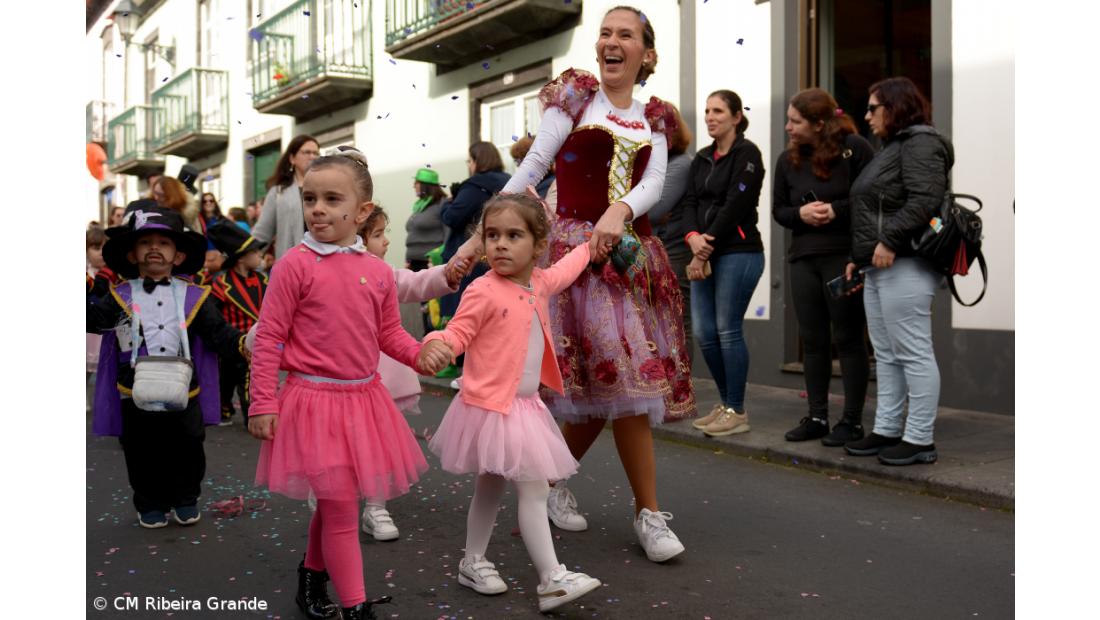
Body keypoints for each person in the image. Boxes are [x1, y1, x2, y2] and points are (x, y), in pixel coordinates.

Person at [454, 5, 695, 563]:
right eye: (605, 33)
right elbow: (535, 163)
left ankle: (629, 507)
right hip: (574, 257)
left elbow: (656, 181)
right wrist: (482, 233)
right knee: (600, 385)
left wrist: (621, 211)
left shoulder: (653, 116)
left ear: (646, 54)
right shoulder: (576, 98)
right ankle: (629, 508)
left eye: (625, 35)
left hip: (631, 260)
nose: (611, 42)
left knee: (618, 384)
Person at [248, 146, 450, 620]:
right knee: (340, 508)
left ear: (360, 212)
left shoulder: (377, 271)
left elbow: (388, 334)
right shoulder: (294, 265)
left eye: (332, 199)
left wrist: (421, 354)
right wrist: (262, 402)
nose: (318, 208)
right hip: (312, 402)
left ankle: (311, 579)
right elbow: (270, 336)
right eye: (310, 198)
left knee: (339, 499)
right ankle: (356, 608)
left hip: (363, 402)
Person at [423, 193, 604, 613]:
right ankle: (551, 578)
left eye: (513, 235)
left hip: (523, 408)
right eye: (492, 235)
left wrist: (593, 241)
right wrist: (436, 344)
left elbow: (566, 269)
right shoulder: (482, 291)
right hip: (491, 408)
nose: (500, 244)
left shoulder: (538, 282)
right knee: (534, 489)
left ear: (538, 245)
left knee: (490, 487)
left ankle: (473, 560)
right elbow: (456, 332)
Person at [87, 205, 248, 529]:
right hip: (134, 391)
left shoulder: (195, 297)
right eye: (146, 243)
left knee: (189, 447)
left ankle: (186, 499)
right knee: (139, 451)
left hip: (184, 390)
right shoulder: (118, 297)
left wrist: (247, 345)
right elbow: (92, 320)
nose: (154, 249)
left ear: (178, 255)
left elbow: (220, 334)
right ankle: (150, 504)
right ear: (132, 254)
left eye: (163, 242)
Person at [843, 76, 954, 466]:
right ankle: (888, 429)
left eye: (873, 107)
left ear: (895, 107)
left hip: (905, 261)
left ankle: (920, 438)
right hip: (880, 264)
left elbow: (926, 197)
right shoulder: (892, 147)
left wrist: (889, 240)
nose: (866, 115)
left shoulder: (921, 143)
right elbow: (876, 207)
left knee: (913, 351)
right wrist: (861, 254)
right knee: (888, 355)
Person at [773, 88, 876, 445]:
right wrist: (799, 213)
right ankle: (817, 416)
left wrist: (836, 210)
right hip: (803, 257)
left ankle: (852, 421)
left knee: (848, 339)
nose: (787, 127)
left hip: (843, 256)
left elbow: (872, 198)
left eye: (795, 121)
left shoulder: (855, 149)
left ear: (819, 124)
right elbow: (779, 210)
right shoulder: (788, 161)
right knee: (813, 341)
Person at [354, 206, 460, 541]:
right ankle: (330, 493)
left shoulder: (382, 272)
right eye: (378, 235)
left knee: (377, 442)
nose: (386, 242)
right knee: (338, 443)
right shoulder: (319, 271)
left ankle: (375, 506)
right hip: (337, 380)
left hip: (376, 377)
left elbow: (415, 283)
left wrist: (451, 269)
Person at [681, 89, 766, 438]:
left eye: (718, 111)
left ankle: (737, 409)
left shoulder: (748, 154)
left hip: (738, 252)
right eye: (706, 111)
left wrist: (704, 247)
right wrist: (691, 238)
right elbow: (687, 203)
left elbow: (737, 204)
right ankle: (726, 403)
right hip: (703, 250)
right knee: (704, 332)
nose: (710, 117)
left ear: (735, 117)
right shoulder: (701, 158)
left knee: (727, 329)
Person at [438, 142, 511, 329]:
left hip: (470, 260)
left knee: (465, 320)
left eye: (470, 161)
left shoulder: (476, 185)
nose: (469, 166)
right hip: (498, 256)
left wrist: (447, 203)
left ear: (478, 161)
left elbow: (453, 217)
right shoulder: (509, 182)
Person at [207, 222, 268, 427]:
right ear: (242, 257)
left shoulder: (263, 279)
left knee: (249, 380)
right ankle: (224, 408)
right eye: (255, 252)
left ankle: (252, 414)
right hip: (231, 343)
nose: (260, 255)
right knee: (226, 379)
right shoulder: (222, 283)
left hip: (256, 344)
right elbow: (213, 316)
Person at [647, 102, 695, 360]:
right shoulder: (655, 164)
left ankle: (683, 386)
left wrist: (638, 207)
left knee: (677, 322)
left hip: (673, 253)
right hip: (654, 250)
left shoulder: (679, 164)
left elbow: (652, 209)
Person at [252, 135, 321, 259]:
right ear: (292, 158)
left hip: (322, 261)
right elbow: (262, 232)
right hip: (291, 264)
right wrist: (246, 255)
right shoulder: (278, 192)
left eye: (316, 153)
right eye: (306, 152)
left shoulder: (326, 188)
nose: (312, 157)